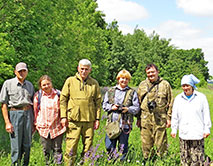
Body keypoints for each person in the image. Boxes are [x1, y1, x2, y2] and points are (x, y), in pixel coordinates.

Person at [60, 59, 101, 166]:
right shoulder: (70, 81)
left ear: (90, 70)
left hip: (89, 121)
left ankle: (87, 164)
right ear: (78, 68)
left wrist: (97, 119)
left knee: (88, 147)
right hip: (73, 120)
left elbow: (98, 103)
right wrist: (63, 117)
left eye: (86, 69)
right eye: (82, 69)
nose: (84, 71)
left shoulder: (94, 83)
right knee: (71, 147)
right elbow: (63, 99)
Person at [171, 74, 212, 166]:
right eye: (183, 86)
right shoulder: (178, 99)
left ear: (192, 86)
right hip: (184, 133)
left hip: (197, 133)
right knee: (185, 158)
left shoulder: (201, 98)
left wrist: (207, 129)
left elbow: (206, 114)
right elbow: (175, 115)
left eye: (187, 85)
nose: (185, 88)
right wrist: (174, 129)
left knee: (197, 159)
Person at [137, 64, 173, 161]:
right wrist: (138, 118)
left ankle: (162, 160)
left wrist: (169, 118)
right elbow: (138, 103)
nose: (151, 74)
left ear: (157, 72)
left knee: (161, 142)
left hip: (160, 118)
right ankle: (147, 160)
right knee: (146, 142)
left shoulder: (165, 84)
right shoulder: (142, 85)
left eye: (153, 72)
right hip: (145, 117)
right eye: (148, 72)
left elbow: (170, 102)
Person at [0, 62, 34, 166]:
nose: (22, 73)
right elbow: (3, 104)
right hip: (15, 114)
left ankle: (25, 164)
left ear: (27, 72)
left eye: (24, 71)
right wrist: (7, 122)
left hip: (28, 114)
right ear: (15, 72)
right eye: (20, 71)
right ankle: (15, 164)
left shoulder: (30, 85)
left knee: (27, 144)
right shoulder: (8, 83)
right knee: (16, 145)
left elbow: (33, 103)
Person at [102, 69, 140, 161]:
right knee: (109, 146)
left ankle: (122, 162)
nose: (124, 80)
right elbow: (104, 105)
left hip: (125, 124)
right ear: (118, 79)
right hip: (112, 123)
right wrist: (112, 107)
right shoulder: (110, 91)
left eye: (126, 79)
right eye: (122, 78)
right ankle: (111, 161)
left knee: (123, 147)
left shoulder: (132, 92)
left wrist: (127, 109)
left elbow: (136, 107)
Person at [33, 75, 66, 165]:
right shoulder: (37, 96)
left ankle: (58, 164)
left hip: (57, 127)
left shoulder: (58, 95)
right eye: (44, 85)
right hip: (43, 128)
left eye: (48, 84)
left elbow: (63, 109)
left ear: (51, 83)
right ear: (40, 86)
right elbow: (35, 111)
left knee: (57, 149)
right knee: (46, 150)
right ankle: (48, 163)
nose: (46, 86)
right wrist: (36, 124)